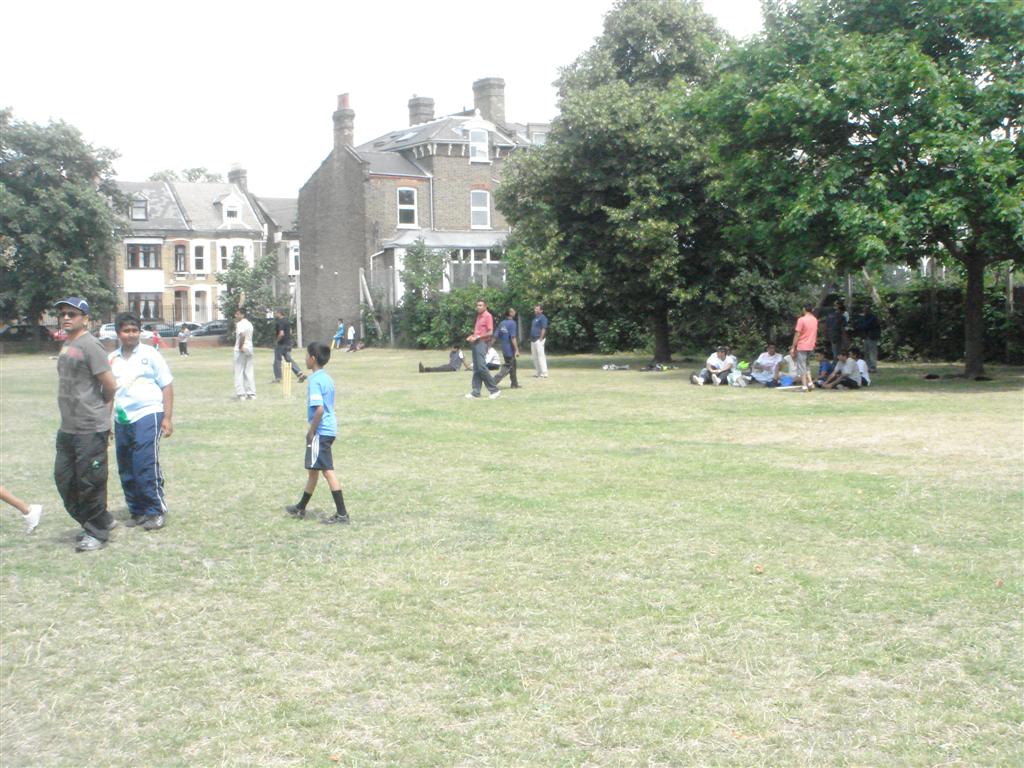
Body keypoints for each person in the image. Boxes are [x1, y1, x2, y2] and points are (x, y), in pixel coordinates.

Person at [53, 296, 118, 552]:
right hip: (68, 427)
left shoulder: (91, 345)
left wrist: (99, 410)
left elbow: (110, 385)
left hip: (90, 427)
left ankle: (97, 533)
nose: (67, 317)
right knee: (64, 478)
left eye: (73, 314)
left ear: (85, 319)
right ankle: (99, 519)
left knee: (90, 481)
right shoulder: (68, 344)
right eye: (63, 314)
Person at [109, 312, 174, 531]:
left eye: (134, 330)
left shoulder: (150, 354)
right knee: (126, 466)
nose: (131, 335)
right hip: (122, 418)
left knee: (144, 463)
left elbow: (166, 384)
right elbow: (109, 392)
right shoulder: (112, 359)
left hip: (149, 413)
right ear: (118, 333)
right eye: (126, 331)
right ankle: (136, 511)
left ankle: (155, 510)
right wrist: (107, 422)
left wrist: (167, 417)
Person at [285, 342, 349, 524]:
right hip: (329, 428)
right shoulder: (325, 378)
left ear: (312, 359)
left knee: (327, 471)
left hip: (320, 431)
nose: (305, 358)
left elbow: (319, 409)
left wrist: (311, 432)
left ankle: (342, 514)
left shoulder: (315, 382)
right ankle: (300, 508)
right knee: (313, 471)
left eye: (306, 355)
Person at [465, 299, 501, 399]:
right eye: (477, 305)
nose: (478, 307)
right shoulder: (479, 316)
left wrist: (477, 337)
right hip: (476, 343)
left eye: (480, 305)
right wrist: (472, 336)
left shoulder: (488, 316)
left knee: (481, 367)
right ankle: (476, 392)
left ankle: (494, 390)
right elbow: (478, 332)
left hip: (482, 343)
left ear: (485, 306)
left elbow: (490, 332)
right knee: (476, 368)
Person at [789, 303, 819, 392]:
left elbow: (797, 334)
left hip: (802, 345)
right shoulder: (815, 320)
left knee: (801, 366)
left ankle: (804, 386)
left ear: (804, 309)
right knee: (807, 365)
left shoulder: (801, 320)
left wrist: (793, 347)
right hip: (811, 345)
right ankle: (810, 383)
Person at [272, 309, 306, 384]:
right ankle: (300, 373)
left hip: (281, 344)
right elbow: (289, 331)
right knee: (289, 359)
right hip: (288, 343)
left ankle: (278, 378)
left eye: (275, 313)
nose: (274, 314)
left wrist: (276, 341)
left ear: (279, 313)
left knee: (277, 361)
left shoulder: (280, 322)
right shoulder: (287, 321)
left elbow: (281, 333)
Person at [493, 308, 520, 388]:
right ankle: (493, 381)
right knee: (508, 367)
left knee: (513, 366)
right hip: (510, 350)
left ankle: (514, 384)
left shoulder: (502, 323)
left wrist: (489, 346)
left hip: (504, 349)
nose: (515, 311)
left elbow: (495, 336)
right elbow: (513, 337)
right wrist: (517, 350)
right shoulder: (512, 323)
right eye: (513, 311)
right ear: (510, 313)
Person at [233, 307, 255, 400]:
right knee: (249, 371)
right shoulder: (249, 324)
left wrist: (240, 346)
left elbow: (242, 335)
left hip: (241, 349)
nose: (236, 315)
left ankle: (241, 394)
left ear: (242, 315)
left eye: (238, 314)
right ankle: (251, 393)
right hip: (249, 348)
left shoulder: (240, 324)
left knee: (238, 371)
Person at [854, 306, 881, 372]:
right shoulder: (864, 317)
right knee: (866, 352)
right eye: (864, 310)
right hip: (865, 336)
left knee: (872, 352)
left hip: (872, 336)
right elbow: (859, 326)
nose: (864, 311)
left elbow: (866, 325)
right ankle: (868, 367)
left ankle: (873, 367)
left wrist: (861, 325)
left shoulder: (872, 317)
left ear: (869, 310)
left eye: (866, 310)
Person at [530, 304, 549, 378]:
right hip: (533, 339)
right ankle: (538, 372)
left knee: (541, 356)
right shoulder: (535, 319)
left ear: (541, 310)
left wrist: (541, 338)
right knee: (535, 357)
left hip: (539, 339)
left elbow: (544, 328)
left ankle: (544, 373)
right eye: (535, 309)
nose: (535, 310)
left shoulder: (543, 318)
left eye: (537, 309)